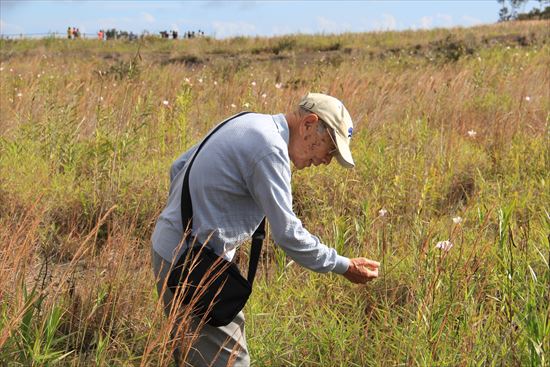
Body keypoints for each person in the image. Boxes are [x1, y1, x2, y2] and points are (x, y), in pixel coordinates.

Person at [151, 92, 380, 366]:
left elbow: (178, 166)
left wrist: (183, 224)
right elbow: (288, 235)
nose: (326, 161)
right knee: (233, 361)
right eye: (329, 149)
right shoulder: (270, 150)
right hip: (194, 265)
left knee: (192, 357)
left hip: (170, 252)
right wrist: (344, 265)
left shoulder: (249, 120)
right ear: (308, 123)